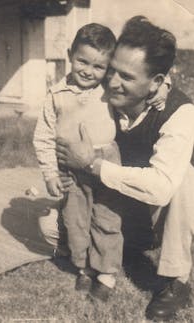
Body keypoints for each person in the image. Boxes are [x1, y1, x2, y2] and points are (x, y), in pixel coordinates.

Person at [55, 17, 194, 321]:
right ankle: (108, 250)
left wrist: (92, 164)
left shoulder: (180, 113)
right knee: (48, 230)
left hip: (157, 213)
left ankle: (176, 280)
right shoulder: (104, 92)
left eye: (127, 77)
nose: (112, 82)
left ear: (157, 81)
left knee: (183, 179)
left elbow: (160, 187)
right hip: (112, 209)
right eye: (112, 70)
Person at [34, 22, 170, 302]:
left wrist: (164, 86)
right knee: (76, 220)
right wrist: (50, 174)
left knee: (107, 218)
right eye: (82, 61)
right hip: (71, 168)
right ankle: (84, 268)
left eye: (98, 67)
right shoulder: (55, 95)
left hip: (106, 162)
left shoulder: (107, 90)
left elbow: (142, 91)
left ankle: (106, 272)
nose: (88, 71)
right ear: (70, 54)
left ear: (106, 68)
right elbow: (44, 137)